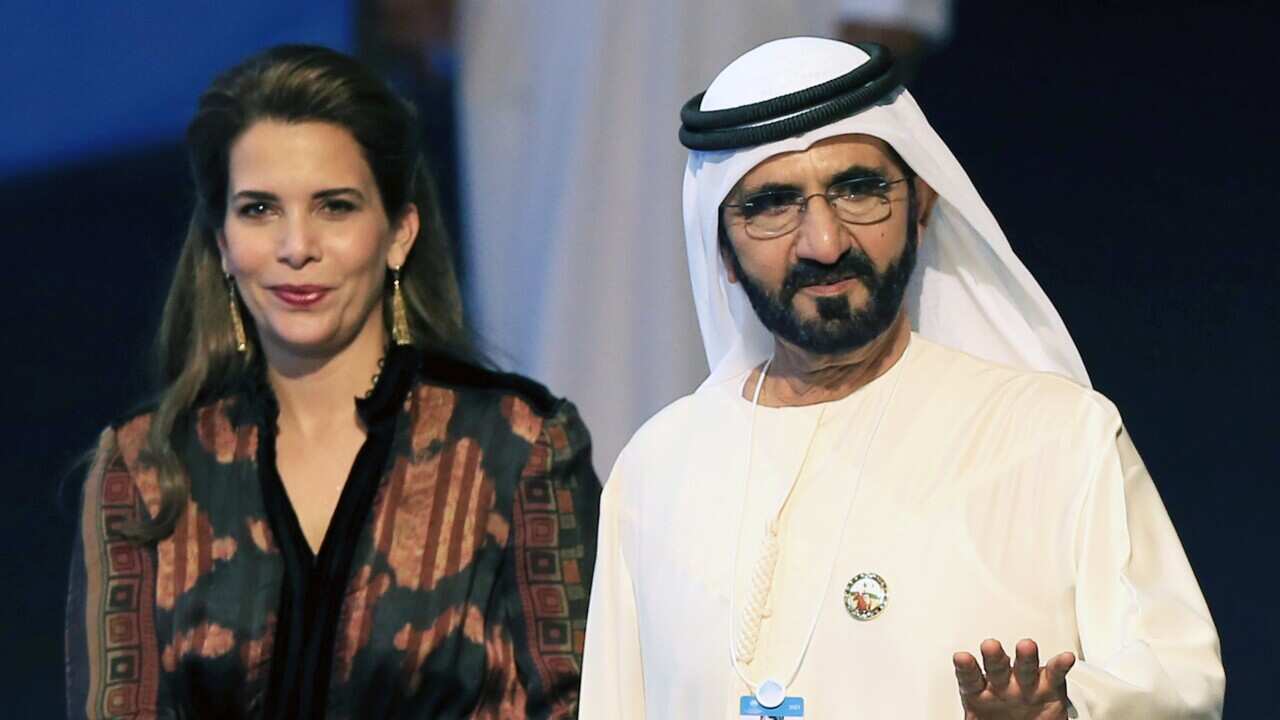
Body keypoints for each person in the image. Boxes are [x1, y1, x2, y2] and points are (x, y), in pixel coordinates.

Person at [580, 37, 1223, 719]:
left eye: (859, 191)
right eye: (773, 204)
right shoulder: (659, 468)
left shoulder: (1055, 437)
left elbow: (1180, 683)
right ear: (723, 249)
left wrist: (1067, 712)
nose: (824, 243)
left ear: (921, 202)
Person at [66, 45, 598, 719]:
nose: (297, 247)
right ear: (223, 244)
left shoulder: (520, 449)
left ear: (399, 232)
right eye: (260, 210)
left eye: (335, 207)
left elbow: (585, 703)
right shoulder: (145, 470)